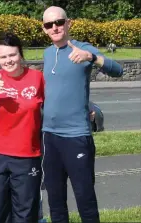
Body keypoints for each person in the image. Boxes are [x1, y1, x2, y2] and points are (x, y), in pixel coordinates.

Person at [41, 6, 123, 223]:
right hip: (49, 137)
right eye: (49, 24)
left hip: (76, 137)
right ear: (44, 29)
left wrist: (92, 57)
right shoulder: (47, 53)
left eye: (59, 22)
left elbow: (118, 70)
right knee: (56, 203)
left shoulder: (83, 48)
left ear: (69, 23)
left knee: (85, 201)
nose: (55, 27)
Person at [0, 33, 44, 223]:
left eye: (12, 55)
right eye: (3, 57)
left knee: (25, 214)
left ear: (20, 54)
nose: (8, 60)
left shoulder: (37, 78)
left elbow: (52, 106)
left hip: (27, 155)